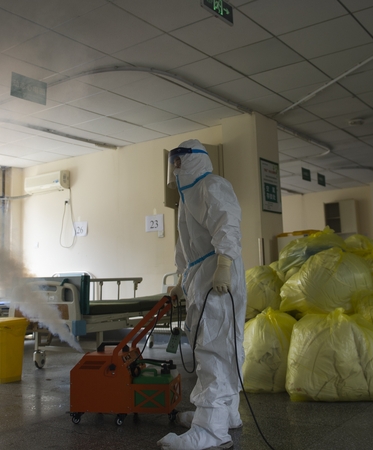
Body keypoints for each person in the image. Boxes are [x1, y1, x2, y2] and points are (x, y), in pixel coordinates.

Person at [158, 139, 247, 450]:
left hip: (216, 276)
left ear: (191, 160)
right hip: (201, 275)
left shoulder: (212, 185)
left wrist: (224, 262)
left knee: (215, 350)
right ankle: (225, 414)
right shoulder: (187, 196)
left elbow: (228, 224)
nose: (175, 168)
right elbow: (187, 245)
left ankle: (210, 431)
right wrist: (182, 280)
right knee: (218, 346)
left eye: (179, 161)